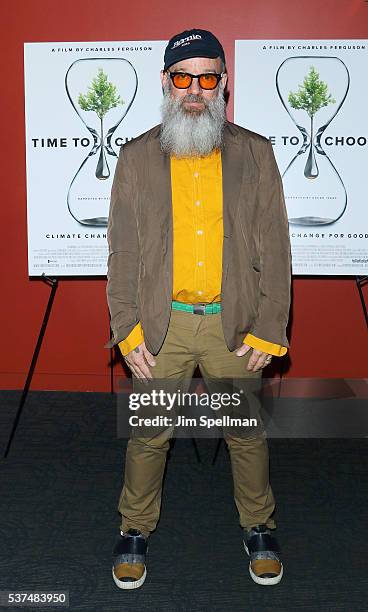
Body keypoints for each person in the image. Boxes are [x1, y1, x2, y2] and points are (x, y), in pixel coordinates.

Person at [106, 28, 291, 590]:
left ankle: (259, 525)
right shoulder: (137, 157)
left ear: (223, 85)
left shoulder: (255, 153)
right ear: (166, 82)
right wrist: (124, 328)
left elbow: (276, 248)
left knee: (245, 434)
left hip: (230, 325)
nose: (195, 90)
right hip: (161, 329)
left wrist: (267, 330)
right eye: (183, 78)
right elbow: (122, 250)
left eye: (207, 78)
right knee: (149, 434)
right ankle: (134, 529)